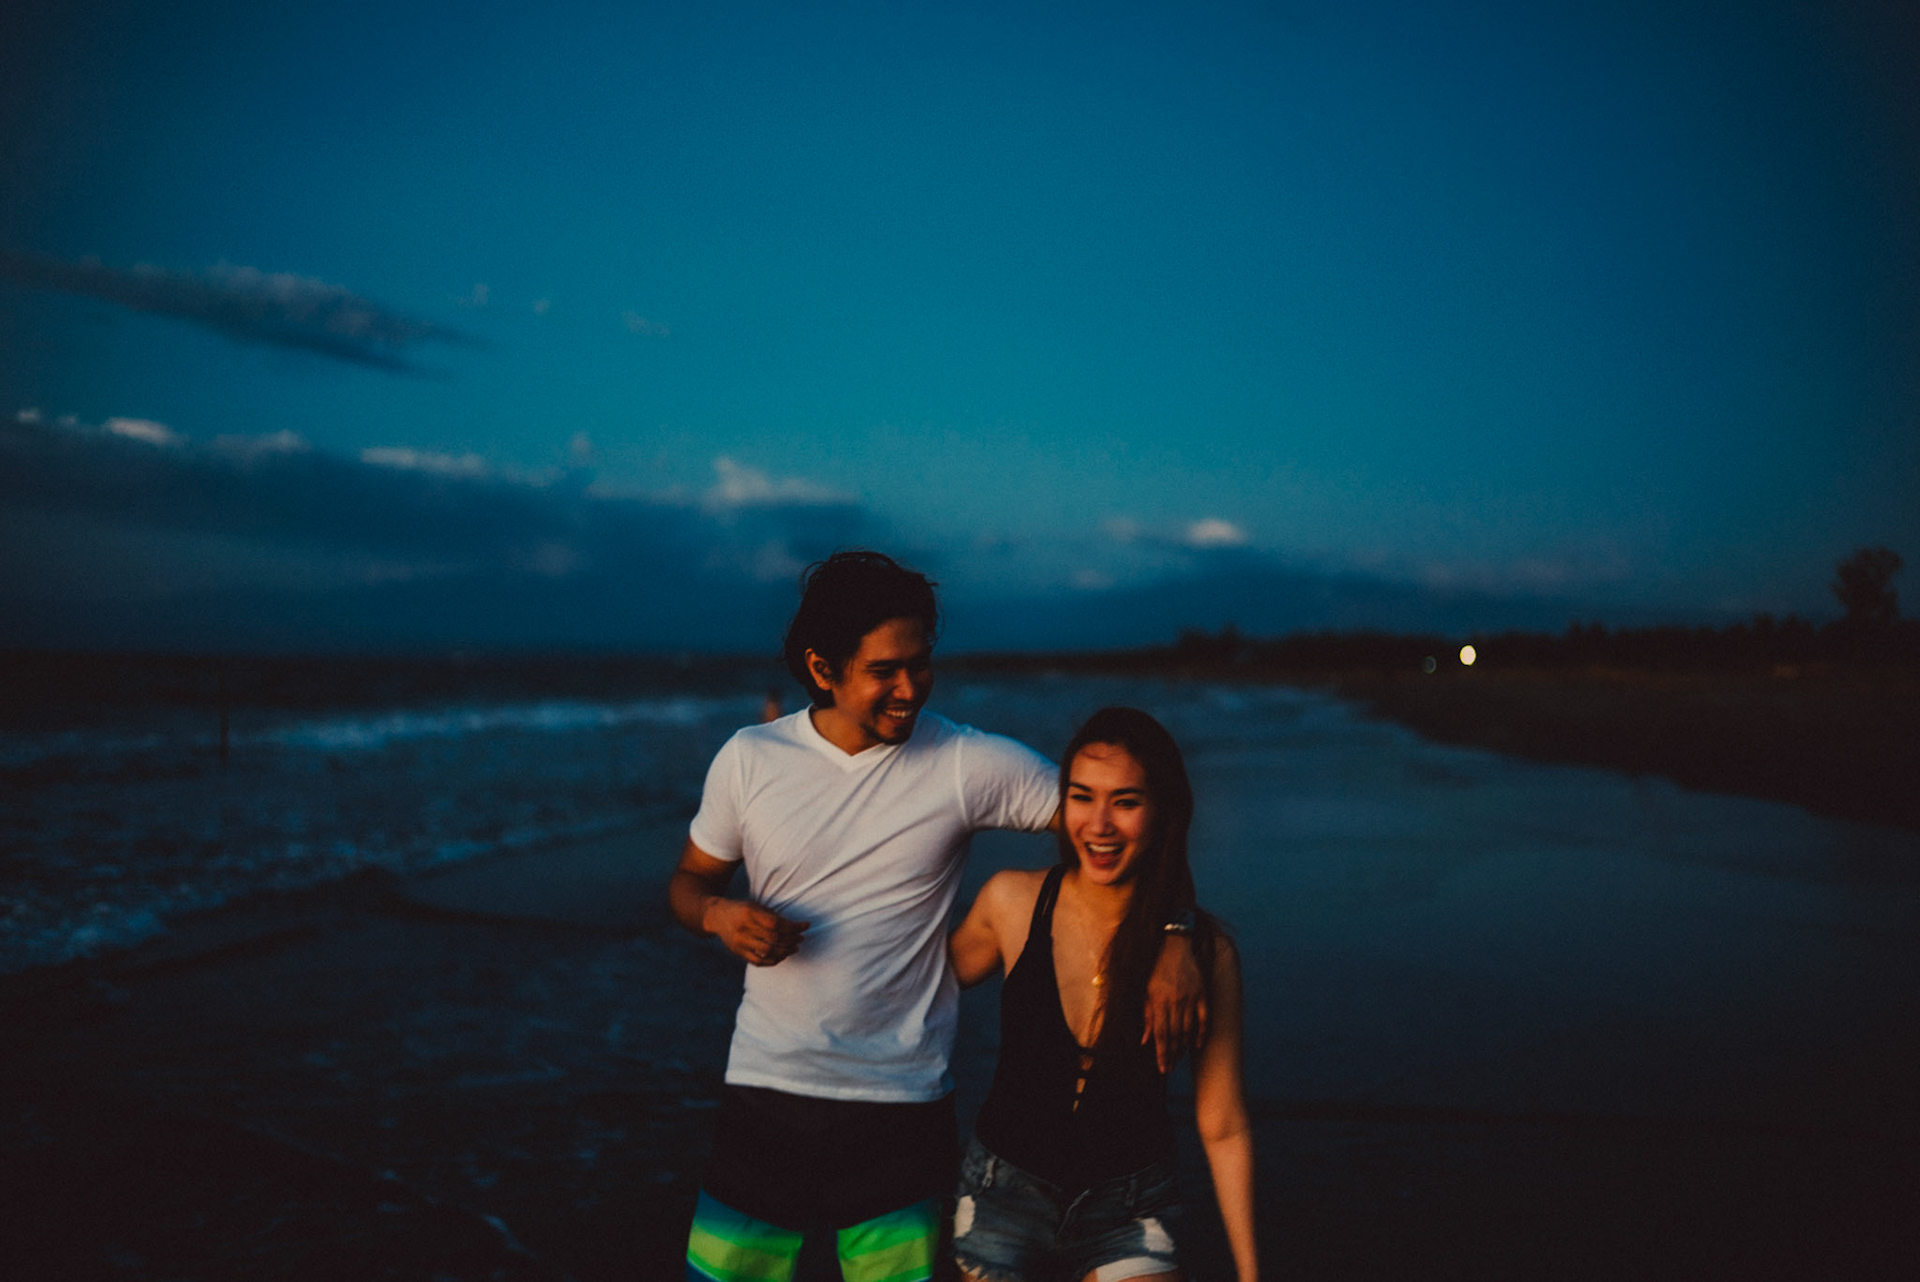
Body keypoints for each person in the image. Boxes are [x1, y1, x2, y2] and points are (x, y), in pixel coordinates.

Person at [669, 553, 1206, 1282]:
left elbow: (1116, 828)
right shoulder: (749, 759)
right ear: (823, 667)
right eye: (885, 671)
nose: (910, 689)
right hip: (765, 1093)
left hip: (903, 1105)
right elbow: (688, 883)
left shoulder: (964, 763)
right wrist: (720, 917)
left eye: (921, 665)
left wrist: (1177, 932)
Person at [948, 707, 1257, 1282]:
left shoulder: (1207, 955)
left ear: (1163, 812)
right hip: (1001, 1196)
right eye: (1082, 797)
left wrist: (1250, 1273)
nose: (1100, 824)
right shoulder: (1012, 904)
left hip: (1132, 1205)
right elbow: (913, 981)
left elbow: (1224, 1124)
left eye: (1127, 801)